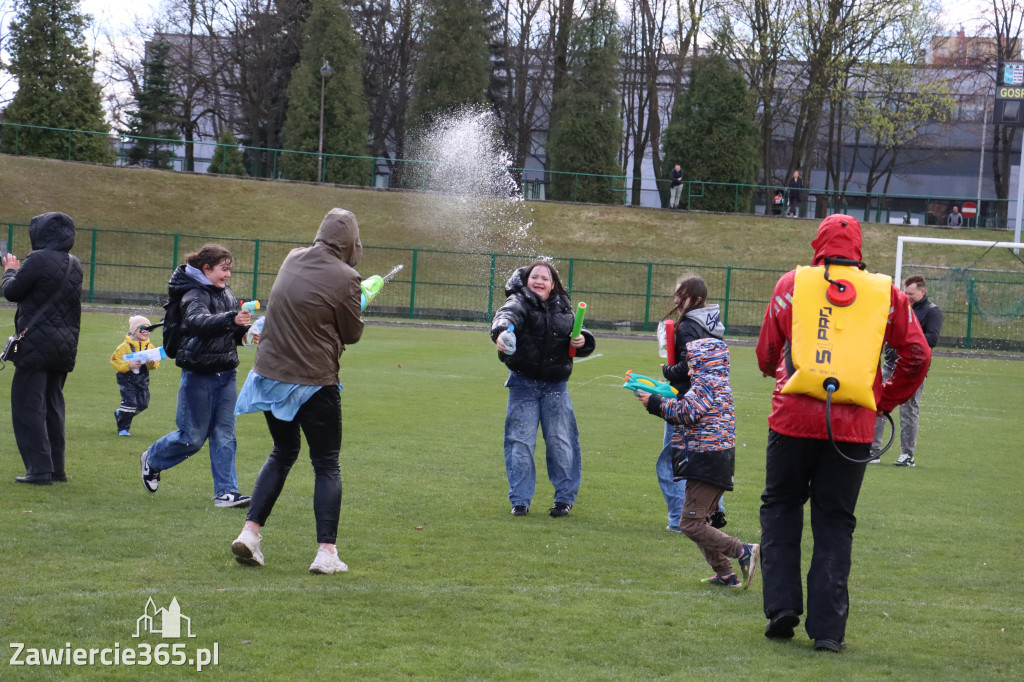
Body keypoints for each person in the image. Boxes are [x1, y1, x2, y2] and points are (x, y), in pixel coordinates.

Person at [755, 214, 931, 652]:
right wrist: (884, 399)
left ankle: (782, 608)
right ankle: (829, 631)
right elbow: (917, 354)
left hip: (792, 419)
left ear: (818, 243)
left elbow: (766, 353)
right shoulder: (886, 293)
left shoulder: (791, 285)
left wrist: (776, 367)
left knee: (780, 507)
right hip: (852, 426)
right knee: (835, 523)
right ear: (859, 247)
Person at [229, 208, 364, 574]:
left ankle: (251, 532)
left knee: (283, 451)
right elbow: (352, 333)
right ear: (351, 242)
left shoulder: (292, 257)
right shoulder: (348, 277)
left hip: (270, 375)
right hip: (314, 381)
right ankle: (326, 552)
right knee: (326, 464)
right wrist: (359, 297)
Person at [636, 338, 760, 589]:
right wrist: (664, 399)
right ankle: (725, 573)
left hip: (707, 461)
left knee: (690, 524)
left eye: (693, 365)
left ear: (705, 364)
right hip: (715, 460)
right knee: (699, 521)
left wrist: (655, 404)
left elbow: (686, 413)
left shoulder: (705, 384)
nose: (689, 371)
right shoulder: (717, 382)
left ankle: (742, 551)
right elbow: (689, 408)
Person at [140, 244, 253, 507]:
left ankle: (226, 493)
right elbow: (197, 323)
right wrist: (231, 319)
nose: (228, 275)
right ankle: (152, 459)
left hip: (226, 373)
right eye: (224, 270)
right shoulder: (193, 294)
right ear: (207, 268)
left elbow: (227, 331)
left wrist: (246, 333)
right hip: (198, 375)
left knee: (225, 434)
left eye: (230, 270)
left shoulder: (225, 293)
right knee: (192, 437)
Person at [490, 260, 596, 518]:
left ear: (553, 284)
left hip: (556, 386)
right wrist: (502, 333)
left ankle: (564, 499)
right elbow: (506, 317)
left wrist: (583, 340)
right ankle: (520, 501)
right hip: (523, 384)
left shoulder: (564, 307)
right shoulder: (519, 302)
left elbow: (577, 334)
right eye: (534, 277)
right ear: (526, 281)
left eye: (544, 278)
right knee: (521, 443)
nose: (539, 281)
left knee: (561, 443)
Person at [1, 211, 83, 485]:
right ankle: (56, 468)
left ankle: (38, 470)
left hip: (35, 342)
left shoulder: (37, 259)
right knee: (53, 406)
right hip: (64, 345)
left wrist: (10, 270)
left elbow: (12, 292)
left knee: (28, 406)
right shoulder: (75, 263)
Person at [657, 274, 727, 532]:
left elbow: (690, 366)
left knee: (672, 462)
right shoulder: (713, 323)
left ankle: (678, 519)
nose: (676, 300)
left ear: (696, 299)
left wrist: (668, 371)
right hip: (712, 400)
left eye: (681, 295)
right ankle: (714, 511)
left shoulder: (687, 327)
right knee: (702, 458)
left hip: (687, 401)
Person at [870, 275, 943, 466]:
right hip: (890, 365)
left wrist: (908, 337)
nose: (907, 296)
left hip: (912, 370)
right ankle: (873, 450)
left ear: (922, 292)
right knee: (877, 405)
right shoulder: (900, 306)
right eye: (905, 293)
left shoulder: (932, 312)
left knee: (908, 411)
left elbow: (933, 339)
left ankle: (907, 454)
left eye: (911, 293)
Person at [110, 315, 161, 436]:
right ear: (134, 330)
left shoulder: (150, 347)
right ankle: (123, 429)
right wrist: (129, 365)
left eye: (148, 329)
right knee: (130, 403)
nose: (146, 332)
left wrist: (151, 363)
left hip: (142, 379)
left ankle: (121, 413)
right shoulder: (124, 347)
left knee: (143, 404)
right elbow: (115, 361)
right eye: (142, 329)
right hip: (126, 379)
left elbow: (155, 365)